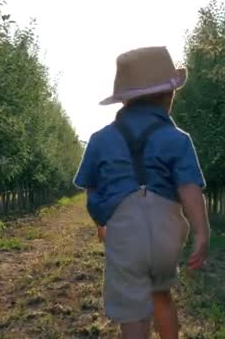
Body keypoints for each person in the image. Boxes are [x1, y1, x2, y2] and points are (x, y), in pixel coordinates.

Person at [73, 46, 210, 339]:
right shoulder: (177, 139)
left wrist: (101, 222)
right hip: (167, 235)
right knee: (160, 292)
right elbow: (189, 188)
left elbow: (92, 189)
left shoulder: (100, 140)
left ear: (124, 100)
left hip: (125, 235)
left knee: (133, 310)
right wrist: (201, 233)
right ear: (168, 96)